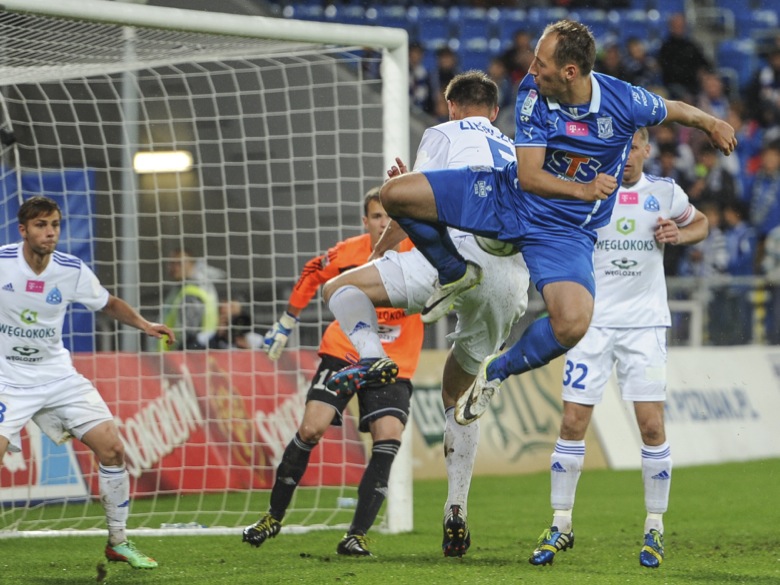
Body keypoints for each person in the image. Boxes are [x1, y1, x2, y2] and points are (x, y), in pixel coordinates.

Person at [378, 19, 736, 429]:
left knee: (573, 323)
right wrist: (586, 189)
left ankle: (496, 372)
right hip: (507, 197)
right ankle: (454, 271)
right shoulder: (534, 93)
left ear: (570, 72)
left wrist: (712, 123)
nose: (531, 70)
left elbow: (671, 109)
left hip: (562, 232)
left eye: (541, 62)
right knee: (395, 195)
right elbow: (530, 176)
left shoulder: (623, 100)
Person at [320, 71, 530, 558]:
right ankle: (456, 508)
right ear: (495, 112)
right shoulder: (516, 150)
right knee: (458, 394)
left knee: (339, 289)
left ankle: (371, 356)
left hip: (452, 255)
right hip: (508, 279)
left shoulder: (441, 134)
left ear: (450, 105)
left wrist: (380, 251)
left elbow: (417, 207)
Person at [527, 128, 709, 569]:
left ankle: (654, 529)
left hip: (644, 326)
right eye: (620, 149)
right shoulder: (588, 191)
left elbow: (700, 223)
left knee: (650, 427)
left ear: (647, 150)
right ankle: (561, 523)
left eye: (634, 148)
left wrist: (678, 236)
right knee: (572, 422)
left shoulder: (665, 193)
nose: (627, 157)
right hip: (591, 323)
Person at [242, 189, 423, 557]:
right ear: (365, 220)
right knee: (311, 428)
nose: (384, 223)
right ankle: (273, 517)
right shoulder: (350, 253)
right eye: (376, 217)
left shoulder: (418, 254)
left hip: (394, 360)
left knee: (388, 437)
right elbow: (313, 272)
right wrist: (287, 320)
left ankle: (356, 535)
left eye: (390, 217)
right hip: (345, 351)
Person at [0, 196, 174, 569]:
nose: (50, 233)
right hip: (7, 379)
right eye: (41, 226)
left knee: (112, 448)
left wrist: (144, 324)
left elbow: (107, 303)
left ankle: (118, 541)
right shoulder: (2, 263)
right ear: (23, 230)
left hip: (58, 376)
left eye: (55, 225)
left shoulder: (70, 269)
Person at [159, 248, 219, 351]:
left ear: (191, 264)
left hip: (183, 357)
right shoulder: (186, 288)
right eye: (171, 263)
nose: (174, 267)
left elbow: (188, 333)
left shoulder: (192, 292)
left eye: (179, 263)